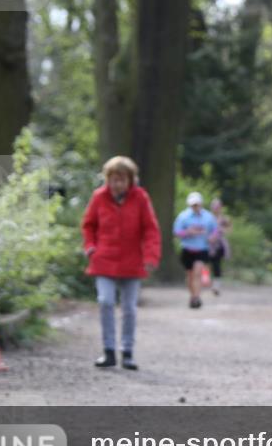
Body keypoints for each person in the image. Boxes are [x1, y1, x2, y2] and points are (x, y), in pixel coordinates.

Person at [80, 156, 160, 370]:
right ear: (108, 179)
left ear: (130, 180)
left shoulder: (141, 198)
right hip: (104, 260)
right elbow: (88, 225)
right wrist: (90, 247)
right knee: (105, 301)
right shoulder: (99, 197)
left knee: (129, 309)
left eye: (122, 180)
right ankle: (108, 351)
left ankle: (127, 352)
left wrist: (151, 257)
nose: (117, 184)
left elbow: (151, 230)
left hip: (132, 262)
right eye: (114, 179)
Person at [173, 192, 217, 309]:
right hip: (187, 249)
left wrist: (213, 237)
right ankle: (192, 296)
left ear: (201, 204)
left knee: (198, 273)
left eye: (197, 204)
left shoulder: (208, 217)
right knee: (190, 275)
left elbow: (215, 230)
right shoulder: (183, 217)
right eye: (193, 205)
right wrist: (188, 232)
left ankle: (197, 297)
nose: (195, 207)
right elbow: (176, 232)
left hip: (202, 249)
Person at [207, 198, 232, 296]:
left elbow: (229, 229)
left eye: (218, 207)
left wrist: (221, 231)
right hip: (207, 244)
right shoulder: (207, 217)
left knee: (216, 264)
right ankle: (206, 281)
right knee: (206, 263)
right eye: (214, 207)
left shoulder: (224, 219)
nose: (216, 209)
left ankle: (216, 286)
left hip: (219, 245)